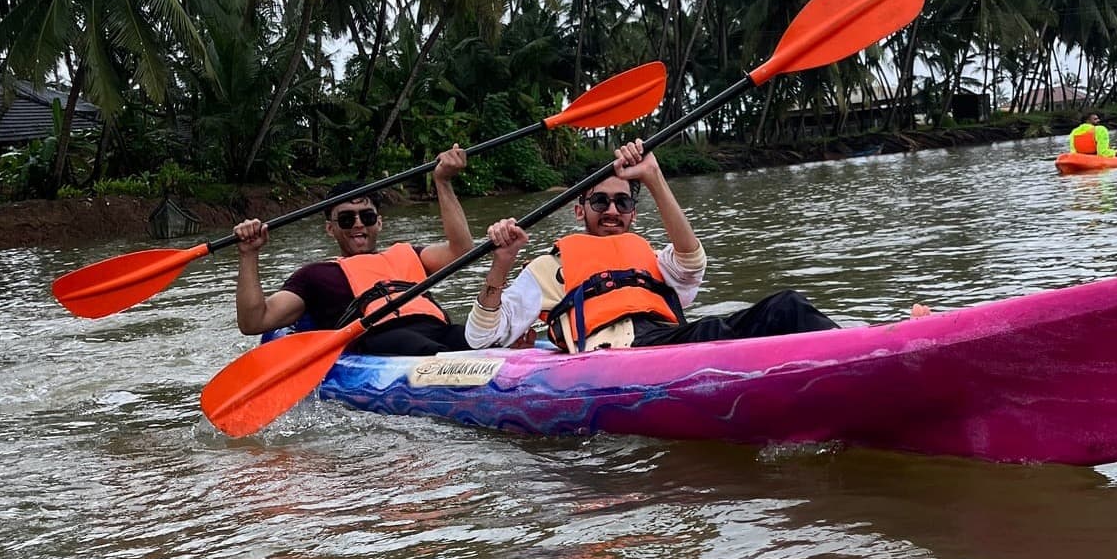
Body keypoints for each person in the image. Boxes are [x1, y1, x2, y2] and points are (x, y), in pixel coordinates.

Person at [465, 139, 878, 354]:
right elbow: (481, 339)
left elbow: (692, 263)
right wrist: (502, 263)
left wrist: (653, 177)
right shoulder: (545, 269)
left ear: (633, 213)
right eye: (600, 201)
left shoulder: (652, 259)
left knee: (786, 306)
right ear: (579, 210)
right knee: (716, 331)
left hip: (669, 338)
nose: (612, 210)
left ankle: (873, 353)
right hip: (619, 355)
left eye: (623, 202)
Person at [233, 146, 474, 355]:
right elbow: (254, 321)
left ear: (378, 222)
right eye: (347, 219)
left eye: (367, 217)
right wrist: (248, 253)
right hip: (381, 339)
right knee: (413, 344)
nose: (359, 224)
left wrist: (443, 182)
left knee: (475, 337)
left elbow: (461, 251)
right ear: (330, 228)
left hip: (437, 330)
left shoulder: (410, 254)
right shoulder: (315, 276)